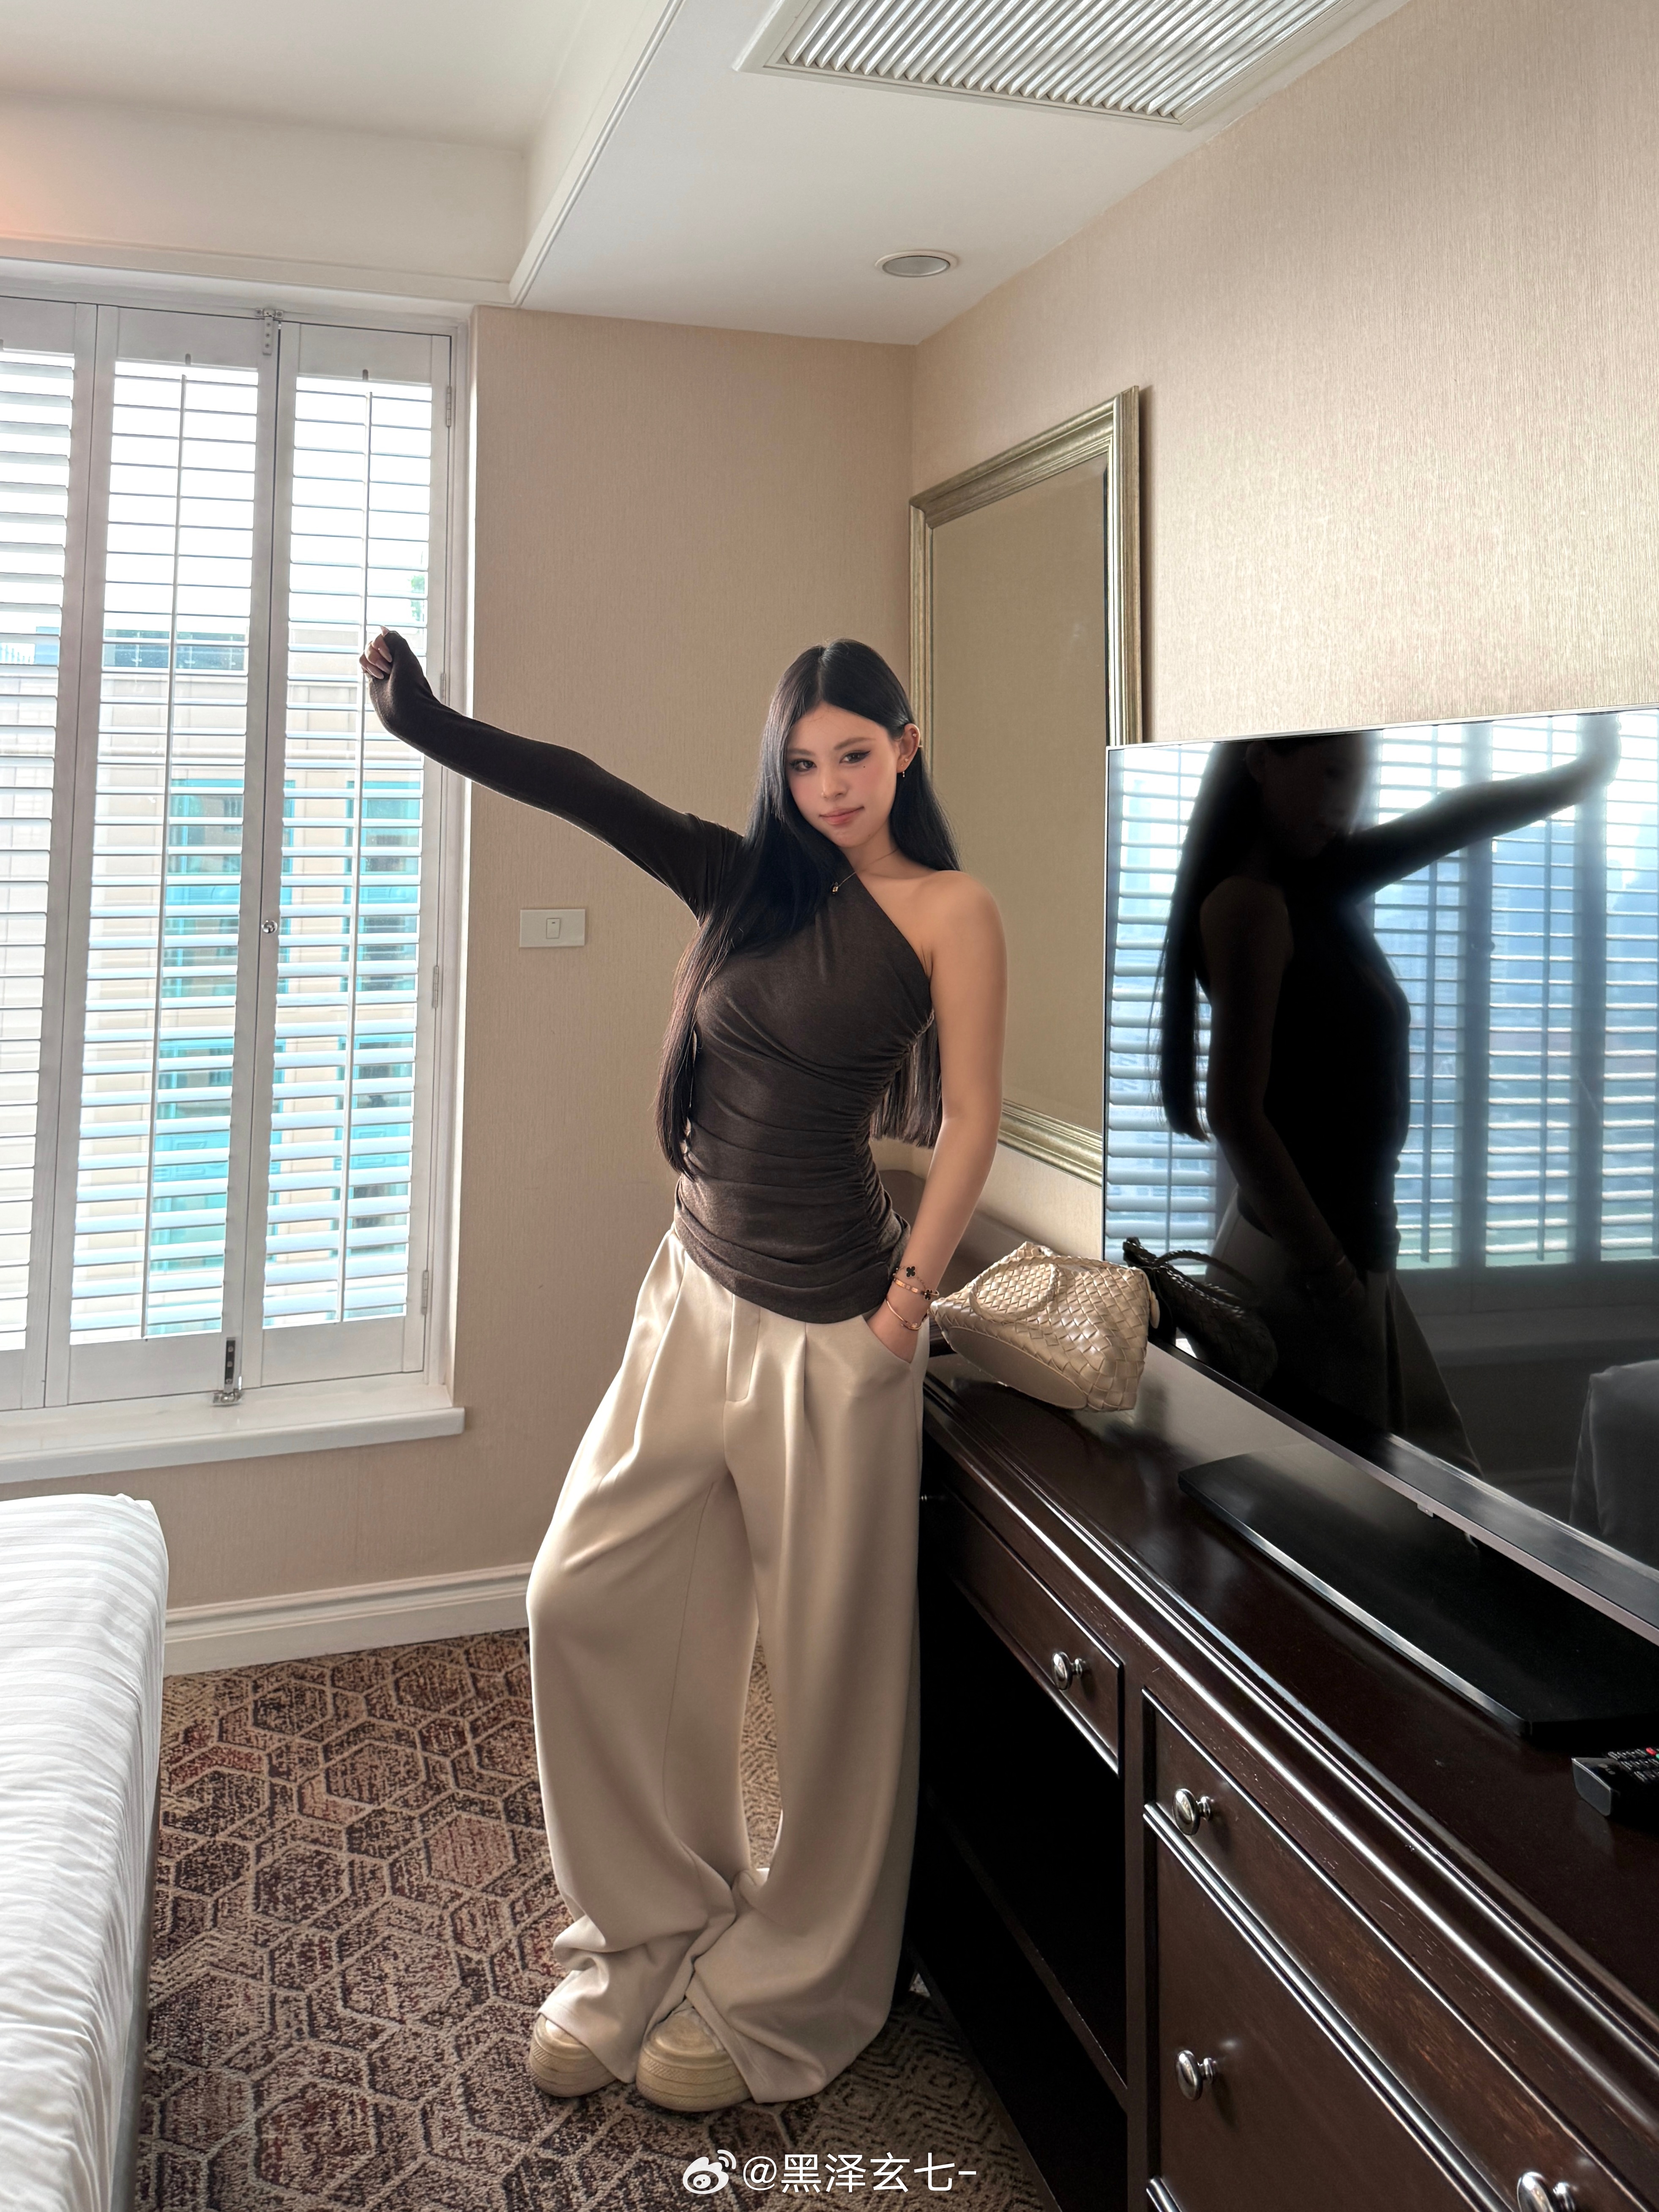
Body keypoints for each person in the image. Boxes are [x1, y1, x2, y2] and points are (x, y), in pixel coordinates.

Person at [360, 628, 1006, 2114]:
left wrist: (903, 1312)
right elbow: (586, 789)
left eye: (855, 753)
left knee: (829, 1679)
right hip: (692, 1299)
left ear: (904, 749)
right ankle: (647, 1928)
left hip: (834, 1334)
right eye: (803, 760)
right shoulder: (739, 879)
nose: (829, 784)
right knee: (579, 1598)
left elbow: (969, 1117)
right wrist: (430, 726)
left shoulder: (947, 910)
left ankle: (789, 1974)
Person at [1159, 722, 1618, 1467]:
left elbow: (1453, 817)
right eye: (1331, 774)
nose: (1345, 802)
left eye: (1358, 778)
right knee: (1356, 1506)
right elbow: (1235, 1113)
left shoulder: (1313, 885)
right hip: (1304, 1265)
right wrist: (1332, 1279)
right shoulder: (1247, 904)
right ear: (1259, 761)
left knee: (1399, 1488)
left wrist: (1585, 771)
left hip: (1337, 1251)